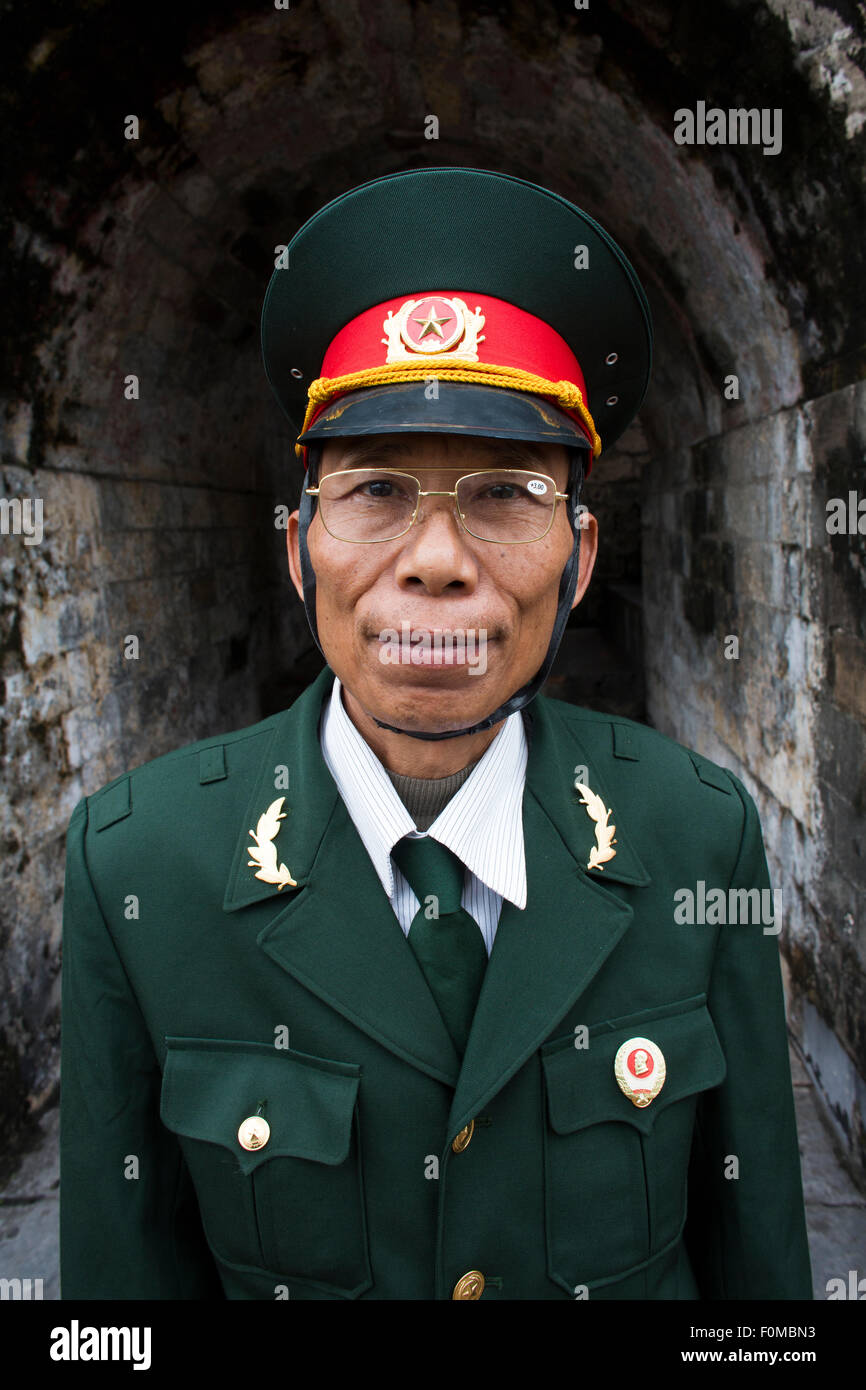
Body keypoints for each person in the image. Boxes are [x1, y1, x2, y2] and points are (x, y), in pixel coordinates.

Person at [60, 167, 812, 1300]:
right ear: (298, 543)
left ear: (583, 556)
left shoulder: (693, 836)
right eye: (373, 491)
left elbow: (756, 1276)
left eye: (505, 494)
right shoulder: (137, 864)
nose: (436, 558)